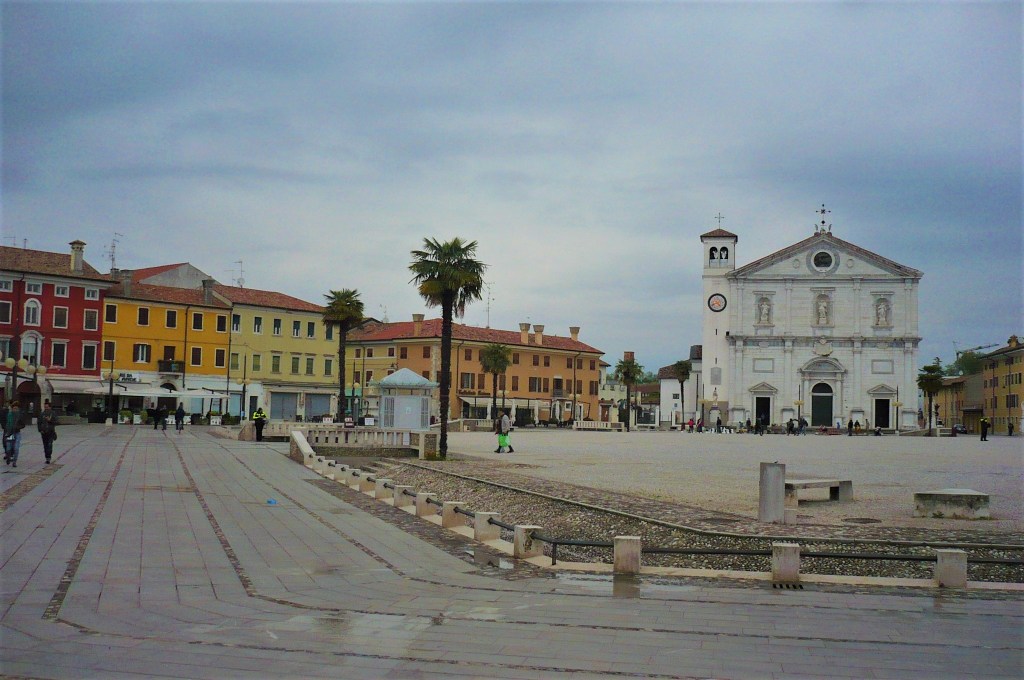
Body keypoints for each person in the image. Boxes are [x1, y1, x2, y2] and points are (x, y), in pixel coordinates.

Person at [4, 401, 27, 468]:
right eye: (14, 408)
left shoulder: (20, 416)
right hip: (9, 433)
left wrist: (17, 427)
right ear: (12, 408)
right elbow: (5, 423)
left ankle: (14, 462)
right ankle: (8, 457)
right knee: (8, 448)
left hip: (17, 433)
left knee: (16, 448)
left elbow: (23, 425)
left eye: (16, 408)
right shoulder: (9, 415)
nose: (15, 410)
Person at [37, 399, 58, 464]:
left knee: (49, 444)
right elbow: (39, 422)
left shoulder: (53, 414)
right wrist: (40, 430)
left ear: (50, 407)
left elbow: (57, 422)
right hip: (44, 432)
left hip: (51, 432)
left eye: (47, 407)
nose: (46, 408)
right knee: (45, 445)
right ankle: (47, 457)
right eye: (45, 407)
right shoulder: (42, 414)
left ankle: (49, 456)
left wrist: (50, 420)